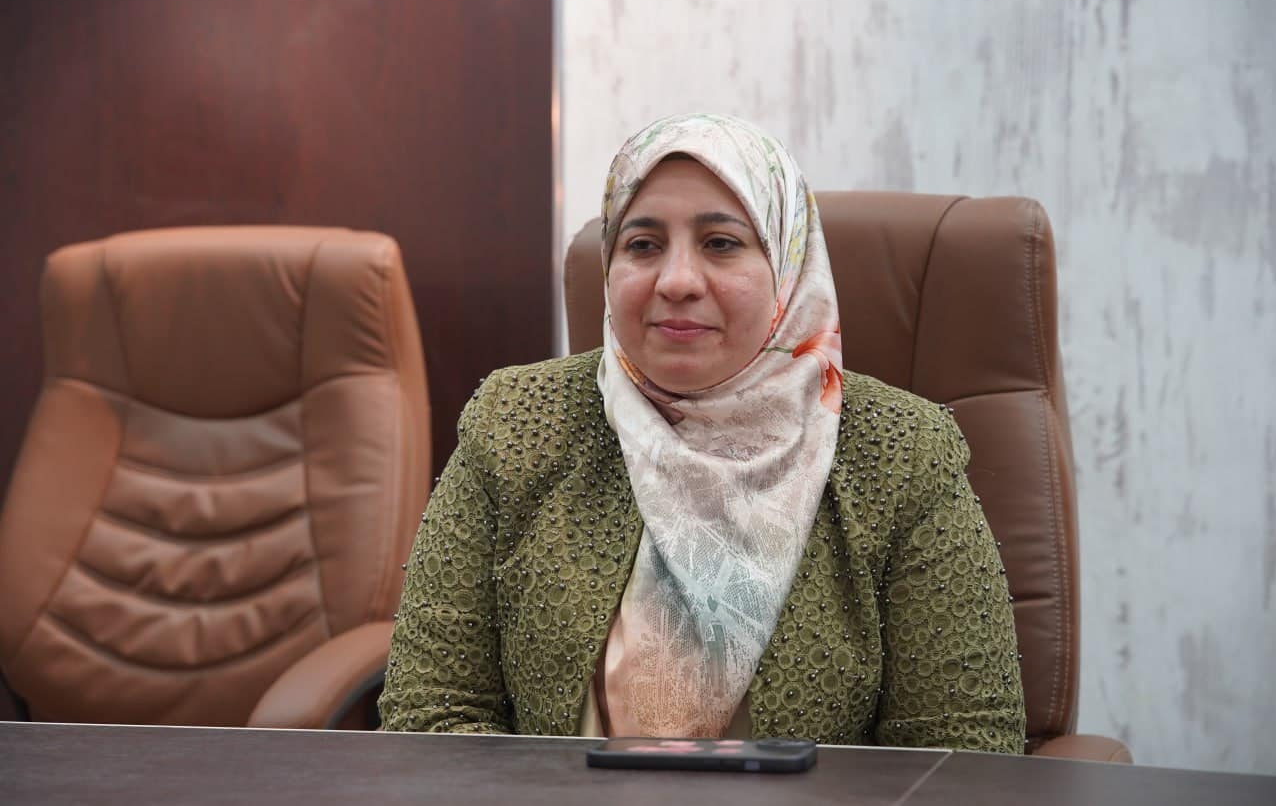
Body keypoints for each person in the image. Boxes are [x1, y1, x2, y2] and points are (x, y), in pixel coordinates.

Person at [378, 113, 1026, 752]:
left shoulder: (902, 451)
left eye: (720, 243)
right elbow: (429, 714)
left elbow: (962, 755)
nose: (678, 281)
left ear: (788, 264)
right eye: (643, 245)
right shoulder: (516, 421)